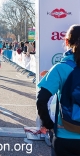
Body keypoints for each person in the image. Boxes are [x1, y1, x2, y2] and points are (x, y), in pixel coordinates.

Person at [37, 24, 80, 155]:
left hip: (65, 135)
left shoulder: (60, 68)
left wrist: (48, 123)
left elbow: (42, 99)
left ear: (66, 42)